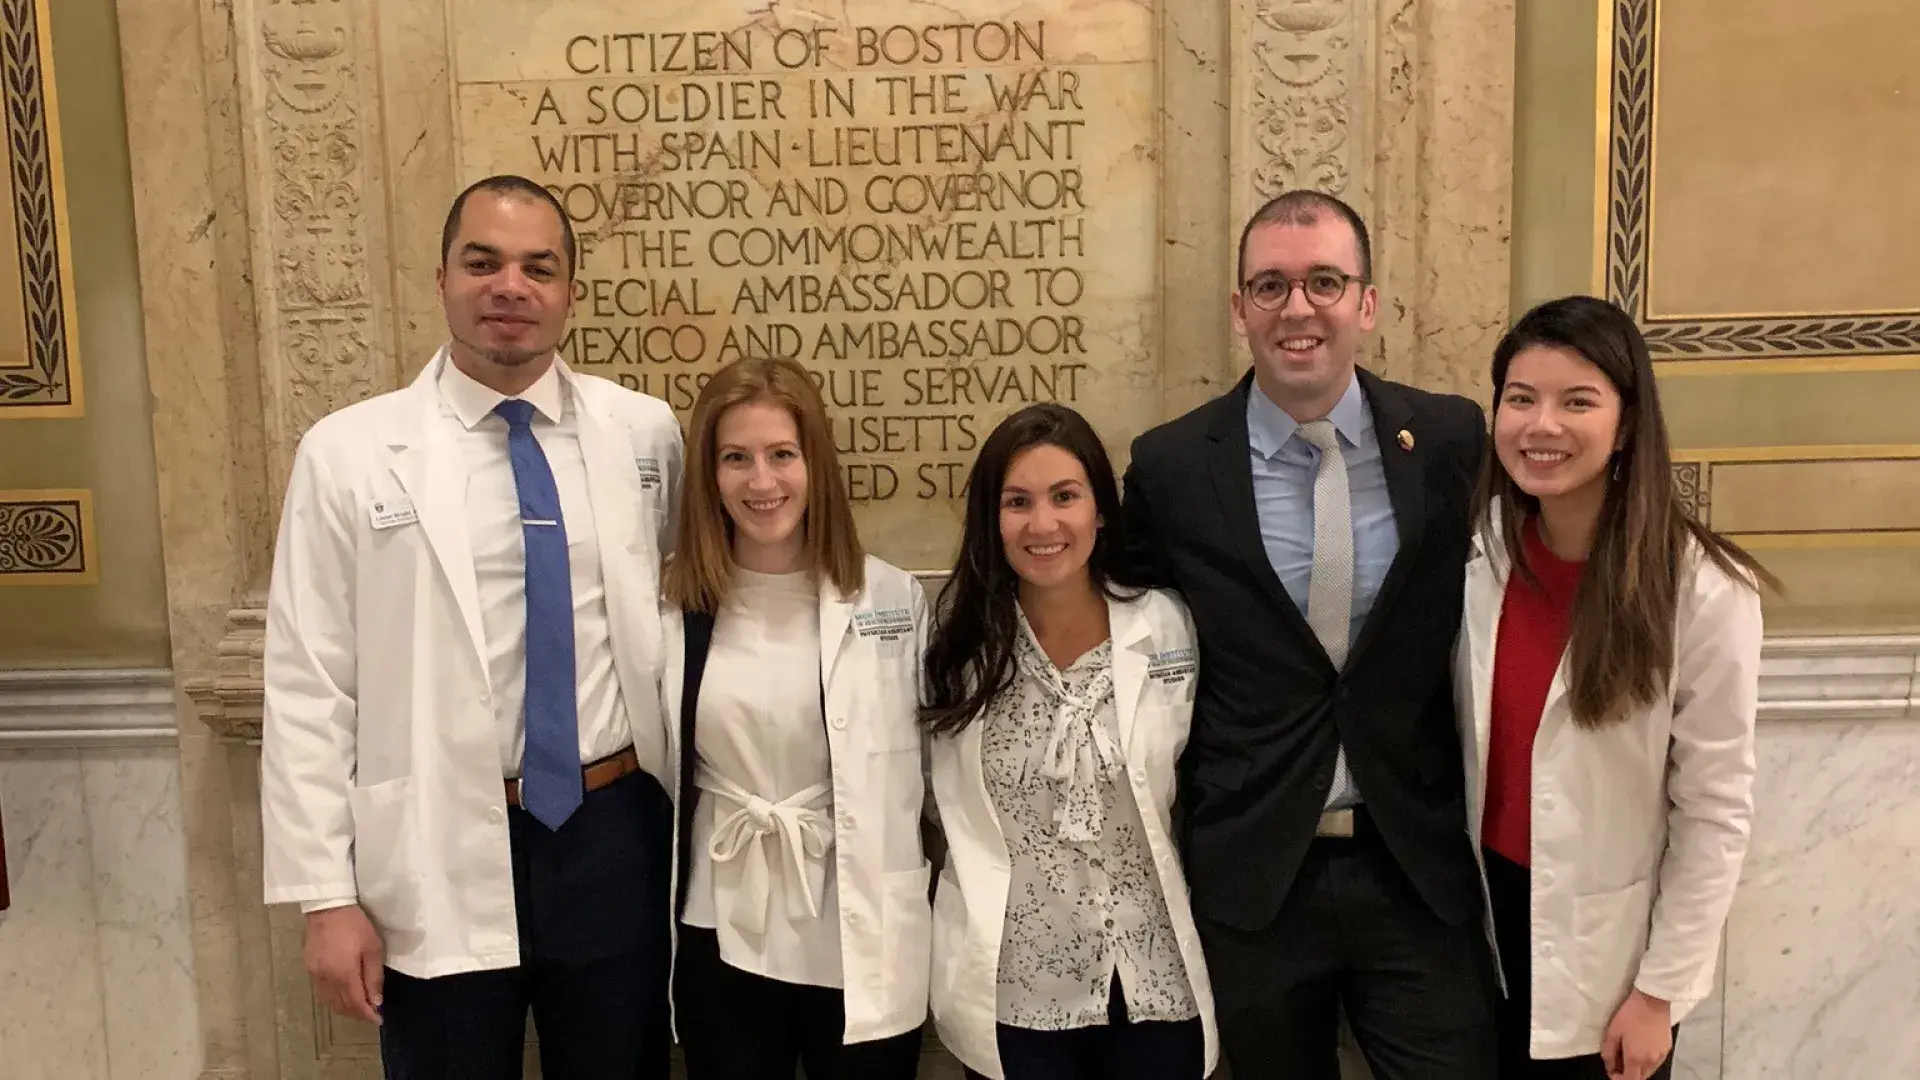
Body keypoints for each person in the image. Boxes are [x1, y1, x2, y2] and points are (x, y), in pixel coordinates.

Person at [258, 174, 684, 1079]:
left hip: (612, 834)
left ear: (570, 291)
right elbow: (309, 683)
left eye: (539, 267)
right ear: (441, 278)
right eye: (482, 262)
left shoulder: (645, 435)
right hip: (438, 837)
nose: (510, 287)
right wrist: (325, 898)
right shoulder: (349, 452)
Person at [1117, 190, 1497, 1077]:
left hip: (1414, 867)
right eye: (1271, 286)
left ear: (1367, 303)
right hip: (1252, 883)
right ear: (1239, 310)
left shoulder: (1447, 439)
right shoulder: (1171, 468)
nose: (1298, 309)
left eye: (1325, 281)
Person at [1458, 295, 1765, 1080]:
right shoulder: (1482, 550)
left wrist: (1659, 993)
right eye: (1520, 399)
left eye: (1577, 402)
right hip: (1480, 925)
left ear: (1627, 425)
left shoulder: (1702, 590)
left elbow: (1715, 809)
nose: (1542, 425)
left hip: (1607, 959)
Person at [922, 402, 1220, 1080]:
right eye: (1018, 501)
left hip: (1154, 987)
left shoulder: (1166, 627)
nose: (1044, 524)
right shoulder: (956, 651)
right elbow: (934, 805)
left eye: (1065, 496)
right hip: (1017, 996)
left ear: (1101, 510)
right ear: (991, 521)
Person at [658, 355, 931, 1080]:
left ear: (816, 463)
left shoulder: (893, 601)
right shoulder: (671, 606)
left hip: (858, 924)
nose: (762, 482)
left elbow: (930, 777)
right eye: (736, 459)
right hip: (724, 924)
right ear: (709, 476)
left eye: (783, 455)